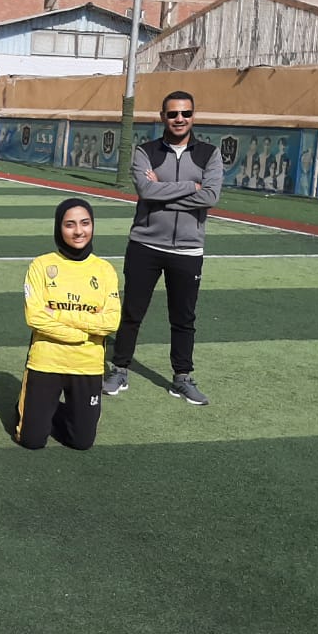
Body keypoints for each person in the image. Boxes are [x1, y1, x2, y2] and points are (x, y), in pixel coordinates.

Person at [103, 90, 223, 406]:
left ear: (193, 116)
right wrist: (190, 187)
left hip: (188, 249)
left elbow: (210, 196)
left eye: (185, 113)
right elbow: (145, 190)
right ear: (162, 117)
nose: (179, 119)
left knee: (184, 318)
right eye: (173, 114)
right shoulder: (145, 151)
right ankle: (120, 369)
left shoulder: (209, 154)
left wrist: (162, 191)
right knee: (132, 312)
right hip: (145, 244)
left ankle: (182, 378)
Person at [15, 198, 120, 451]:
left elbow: (111, 321)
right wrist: (82, 333)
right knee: (31, 441)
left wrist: (61, 316)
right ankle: (32, 410)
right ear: (59, 228)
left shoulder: (105, 269)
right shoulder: (41, 265)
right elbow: (35, 317)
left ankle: (49, 410)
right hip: (46, 361)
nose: (78, 231)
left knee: (81, 442)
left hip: (87, 364)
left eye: (85, 223)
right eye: (70, 224)